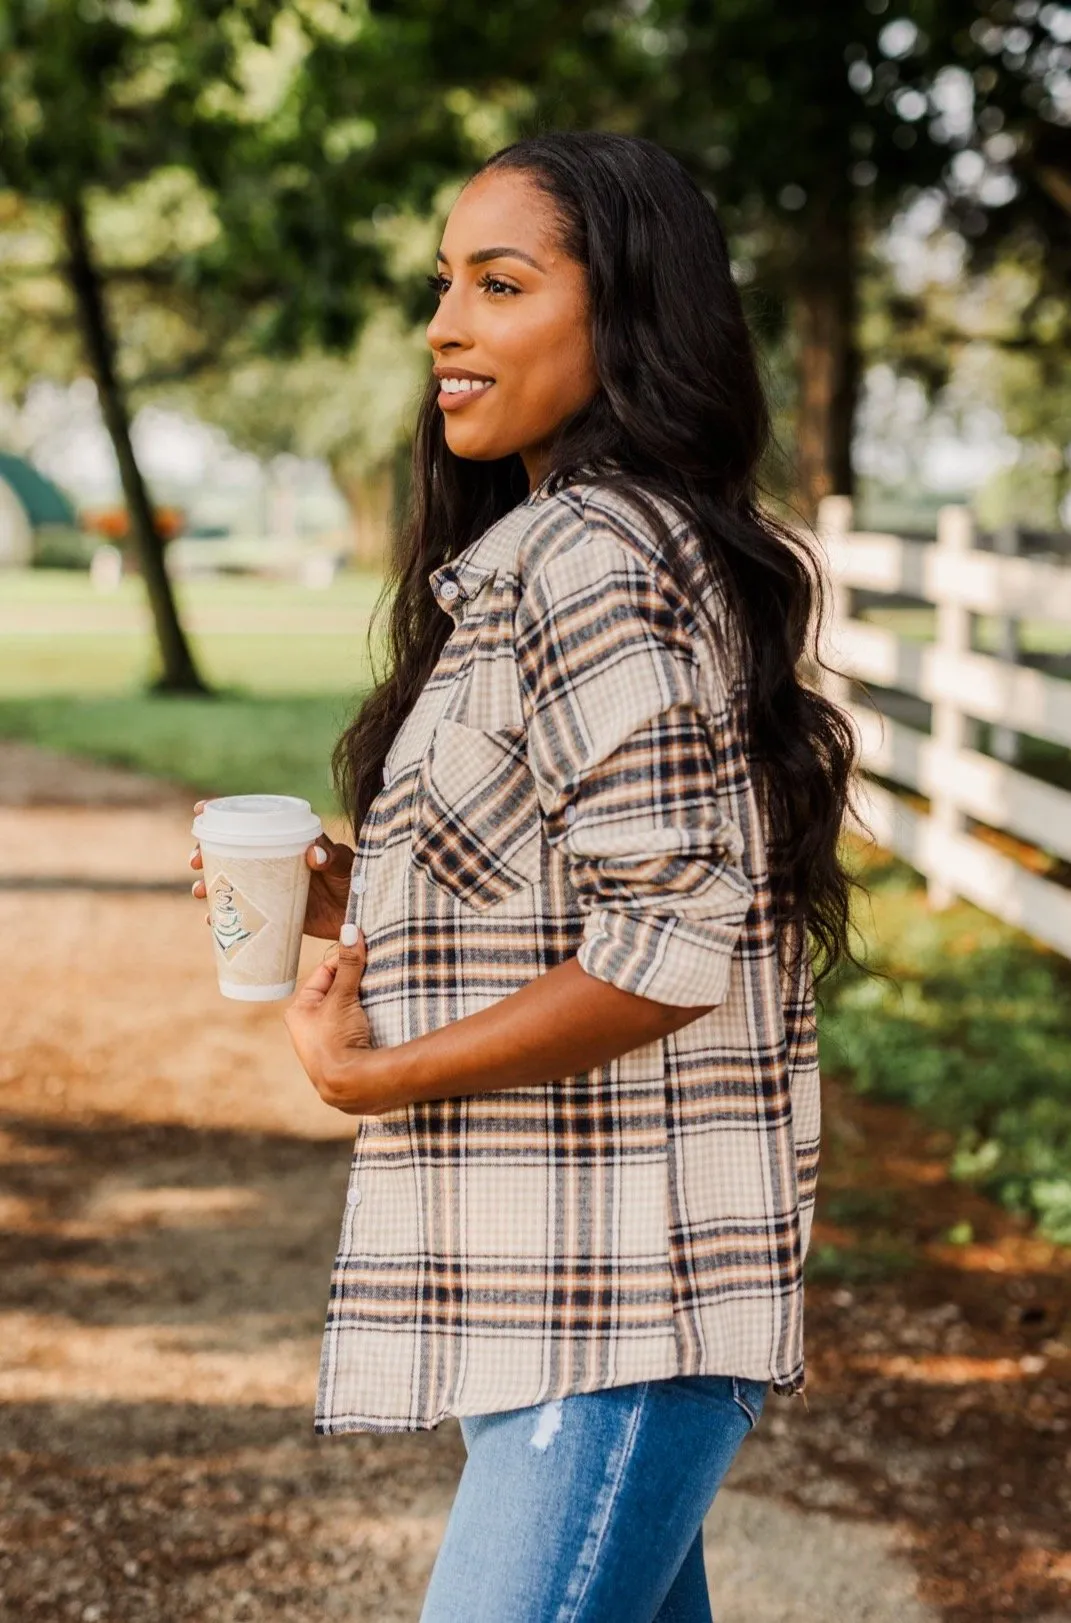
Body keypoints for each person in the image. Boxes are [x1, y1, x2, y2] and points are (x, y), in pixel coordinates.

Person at [190, 131, 858, 1622]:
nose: (445, 326)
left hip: (621, 1301)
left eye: (500, 283)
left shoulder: (593, 561)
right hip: (569, 1286)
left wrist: (381, 1074)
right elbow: (588, 885)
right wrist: (348, 894)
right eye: (444, 284)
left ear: (624, 316)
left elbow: (667, 945)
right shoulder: (561, 551)